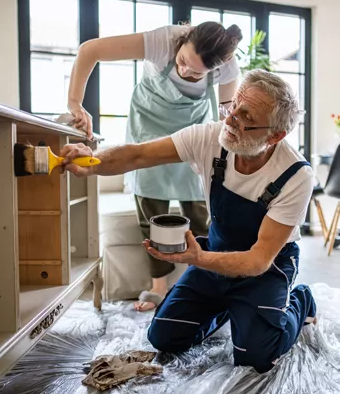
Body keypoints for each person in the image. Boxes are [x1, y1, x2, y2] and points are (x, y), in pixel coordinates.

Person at [61, 69, 317, 373]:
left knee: (256, 358)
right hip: (216, 253)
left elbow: (258, 260)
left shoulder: (295, 176)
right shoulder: (212, 137)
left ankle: (302, 300)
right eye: (233, 105)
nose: (230, 118)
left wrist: (199, 258)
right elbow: (139, 155)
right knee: (164, 338)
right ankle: (228, 307)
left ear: (275, 135)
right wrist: (92, 162)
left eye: (245, 116)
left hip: (266, 268)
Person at [67, 21, 243, 311]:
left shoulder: (227, 67)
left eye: (197, 72)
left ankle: (201, 285)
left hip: (192, 132)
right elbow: (90, 50)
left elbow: (226, 118)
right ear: (183, 41)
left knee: (200, 214)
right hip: (148, 125)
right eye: (184, 61)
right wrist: (76, 103)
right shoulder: (162, 41)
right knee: (152, 211)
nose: (186, 71)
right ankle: (158, 286)